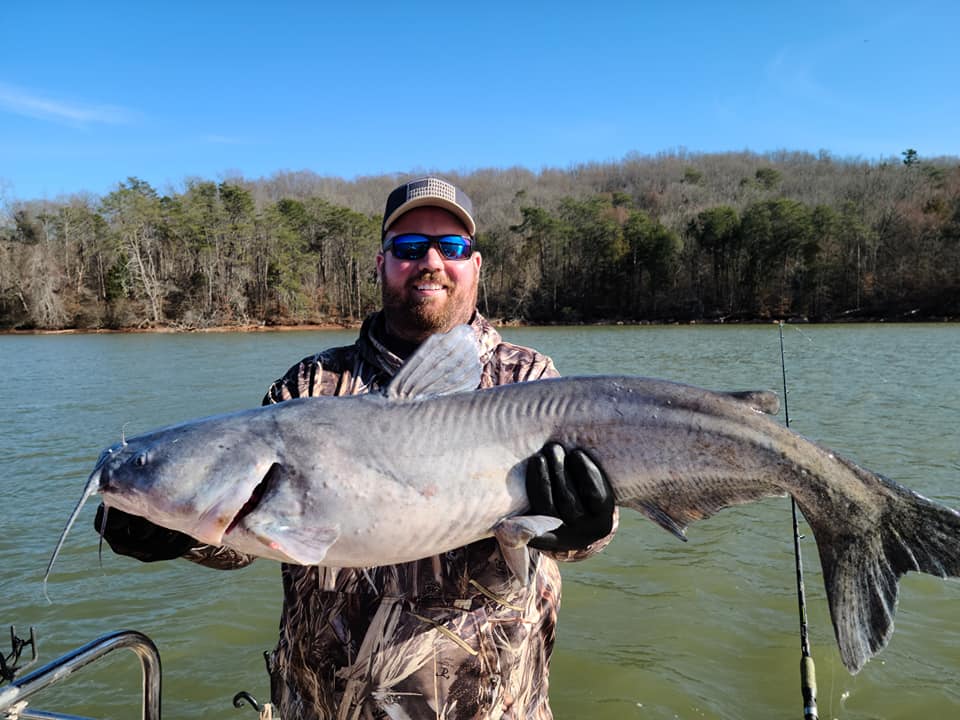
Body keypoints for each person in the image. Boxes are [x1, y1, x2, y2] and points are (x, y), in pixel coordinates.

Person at [96, 176, 618, 719]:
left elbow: (574, 542)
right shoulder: (310, 384)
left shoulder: (530, 380)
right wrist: (173, 532)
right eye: (409, 248)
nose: (431, 262)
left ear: (476, 265)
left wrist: (587, 527)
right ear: (381, 263)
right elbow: (249, 536)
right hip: (323, 706)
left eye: (452, 247)